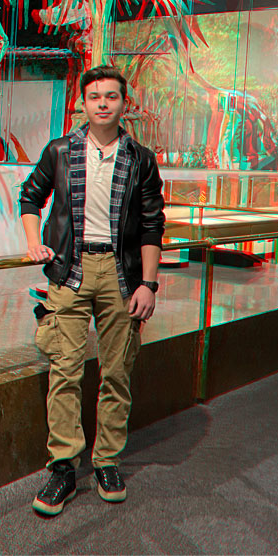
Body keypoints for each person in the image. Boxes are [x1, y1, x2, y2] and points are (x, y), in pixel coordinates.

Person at [19, 65, 165, 516]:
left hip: (120, 276)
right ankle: (63, 467)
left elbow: (152, 224)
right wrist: (34, 242)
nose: (103, 103)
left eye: (111, 96)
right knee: (64, 371)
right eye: (95, 96)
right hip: (70, 270)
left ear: (125, 103)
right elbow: (31, 196)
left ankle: (107, 462)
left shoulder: (140, 158)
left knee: (117, 372)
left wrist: (148, 284)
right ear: (82, 103)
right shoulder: (60, 150)